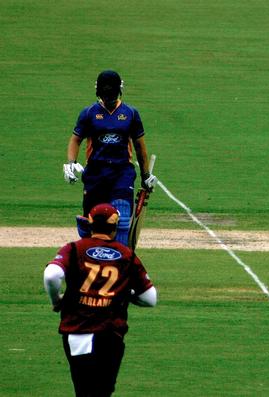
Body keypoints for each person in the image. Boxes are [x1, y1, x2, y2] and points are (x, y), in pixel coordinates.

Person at [43, 203, 157, 396]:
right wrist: (123, 294)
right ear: (115, 226)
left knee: (84, 390)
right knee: (102, 392)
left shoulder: (73, 249)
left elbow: (51, 275)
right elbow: (150, 298)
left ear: (89, 223)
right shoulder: (127, 256)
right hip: (110, 335)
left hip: (77, 332)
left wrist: (56, 301)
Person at [63, 70, 157, 245]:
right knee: (91, 221)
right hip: (95, 173)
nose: (109, 98)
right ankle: (89, 258)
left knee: (121, 218)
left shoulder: (130, 113)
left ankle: (119, 262)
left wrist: (146, 175)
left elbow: (139, 146)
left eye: (112, 94)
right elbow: (76, 139)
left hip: (122, 172)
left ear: (119, 90)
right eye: (106, 94)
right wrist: (70, 163)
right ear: (98, 91)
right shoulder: (89, 113)